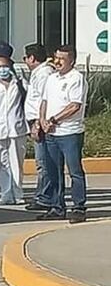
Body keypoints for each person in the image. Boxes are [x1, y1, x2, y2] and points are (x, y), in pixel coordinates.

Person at [38, 45, 87, 224]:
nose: (57, 61)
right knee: (53, 171)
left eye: (62, 59)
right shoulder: (51, 78)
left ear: (71, 61)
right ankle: (57, 207)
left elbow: (75, 106)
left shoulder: (76, 78)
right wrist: (42, 120)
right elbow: (44, 101)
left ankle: (79, 207)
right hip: (51, 133)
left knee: (74, 171)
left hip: (69, 133)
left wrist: (53, 120)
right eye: (56, 57)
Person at [0, 55, 27, 205]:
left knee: (16, 162)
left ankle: (17, 193)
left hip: (17, 127)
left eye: (5, 66)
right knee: (0, 163)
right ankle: (5, 193)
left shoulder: (19, 83)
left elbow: (27, 102)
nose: (2, 69)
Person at [21, 44, 55, 213]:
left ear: (32, 58)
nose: (25, 61)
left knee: (44, 163)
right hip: (37, 121)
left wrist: (37, 123)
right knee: (42, 162)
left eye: (25, 58)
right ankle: (44, 195)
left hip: (40, 122)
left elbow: (43, 101)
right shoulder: (39, 73)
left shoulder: (44, 74)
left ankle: (45, 197)